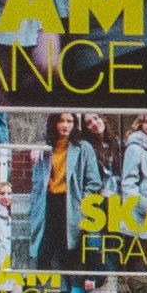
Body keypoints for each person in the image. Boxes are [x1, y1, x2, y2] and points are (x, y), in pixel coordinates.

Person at [32, 110, 102, 271]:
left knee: (69, 251)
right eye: (61, 121)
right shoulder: (46, 148)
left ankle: (68, 292)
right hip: (48, 203)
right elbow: (37, 181)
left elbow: (94, 181)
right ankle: (42, 292)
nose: (65, 125)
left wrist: (83, 203)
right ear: (54, 123)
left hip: (71, 203)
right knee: (44, 252)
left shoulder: (83, 147)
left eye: (69, 121)